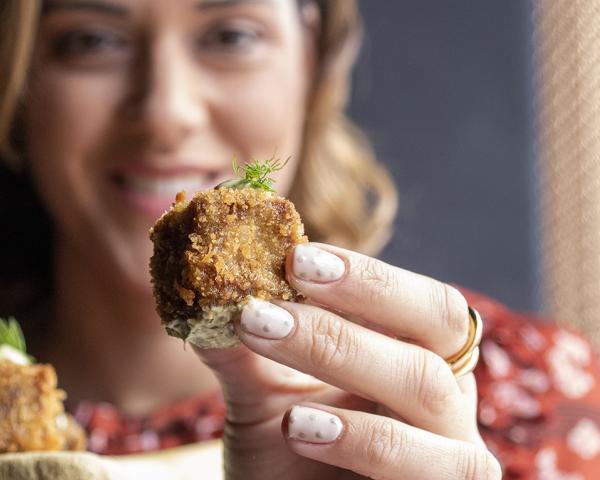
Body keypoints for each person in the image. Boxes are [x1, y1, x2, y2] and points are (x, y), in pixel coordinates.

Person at [0, 1, 598, 478]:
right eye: (91, 41)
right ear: (20, 78)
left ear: (312, 59)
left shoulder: (533, 399)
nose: (166, 111)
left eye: (231, 35)